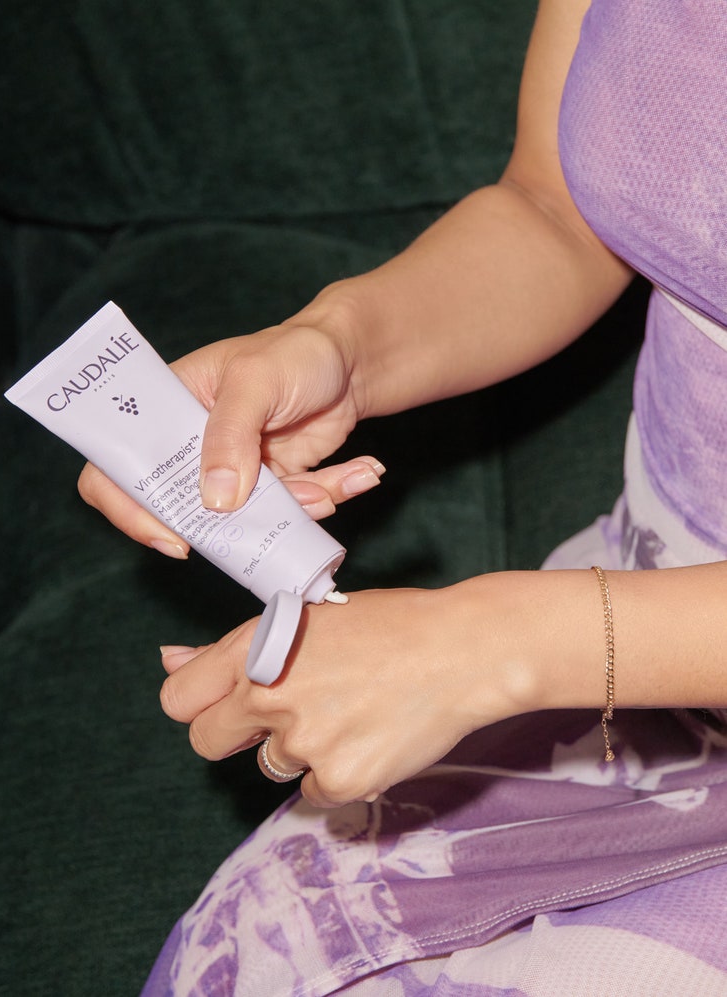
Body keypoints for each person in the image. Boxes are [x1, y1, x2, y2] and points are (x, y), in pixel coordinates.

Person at [78, 0, 727, 992]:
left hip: (593, 637)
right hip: (641, 606)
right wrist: (339, 347)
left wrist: (497, 645)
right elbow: (552, 209)